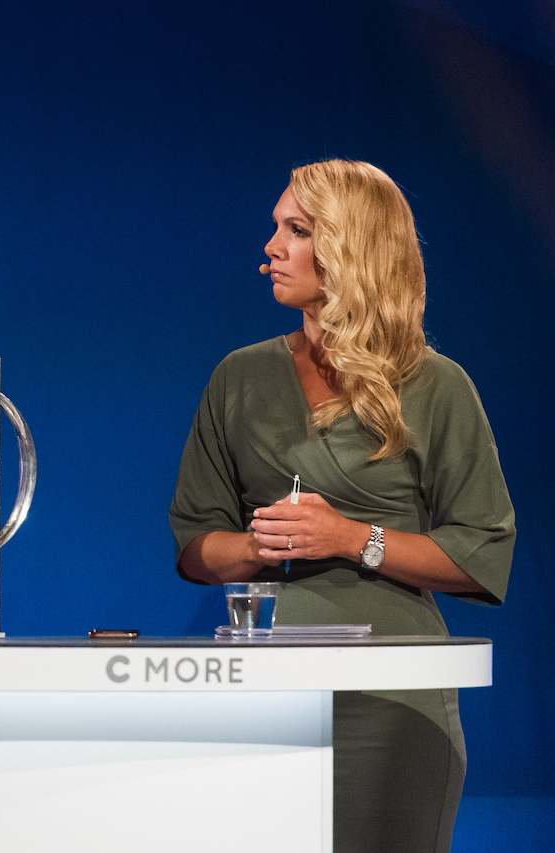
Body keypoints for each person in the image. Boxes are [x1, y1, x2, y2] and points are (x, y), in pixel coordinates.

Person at [169, 159, 515, 851]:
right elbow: (194, 544)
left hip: (393, 698)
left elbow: (482, 555)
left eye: (296, 230)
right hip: (266, 690)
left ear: (351, 247)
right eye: (276, 228)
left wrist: (352, 536)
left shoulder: (436, 384)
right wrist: (256, 547)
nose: (271, 247)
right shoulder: (238, 376)